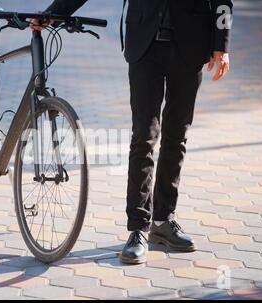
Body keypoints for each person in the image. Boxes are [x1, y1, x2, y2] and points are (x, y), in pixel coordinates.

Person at [33, 0, 233, 264]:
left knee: (176, 136)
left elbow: (223, 2)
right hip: (145, 44)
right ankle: (138, 227)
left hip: (191, 44)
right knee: (144, 137)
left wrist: (221, 45)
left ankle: (163, 220)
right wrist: (54, 14)